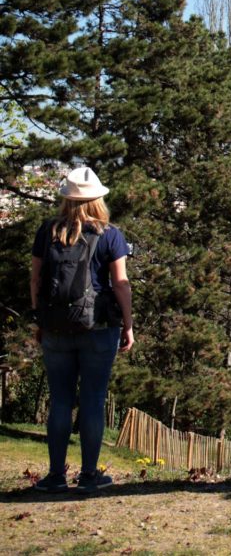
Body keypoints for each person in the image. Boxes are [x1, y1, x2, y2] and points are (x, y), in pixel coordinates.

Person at [29, 167, 134, 494]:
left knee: (60, 400)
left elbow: (35, 279)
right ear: (98, 200)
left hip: (56, 327)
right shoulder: (110, 235)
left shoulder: (47, 232)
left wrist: (38, 318)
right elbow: (120, 284)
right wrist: (128, 324)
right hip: (99, 328)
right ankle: (89, 474)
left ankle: (55, 476)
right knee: (92, 400)